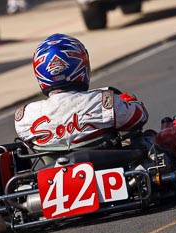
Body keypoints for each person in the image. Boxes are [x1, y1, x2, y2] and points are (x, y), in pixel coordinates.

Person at [15, 33, 149, 151]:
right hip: (105, 169)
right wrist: (129, 100)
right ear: (81, 65)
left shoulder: (26, 117)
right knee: (148, 139)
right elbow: (139, 118)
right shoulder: (104, 102)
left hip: (53, 176)